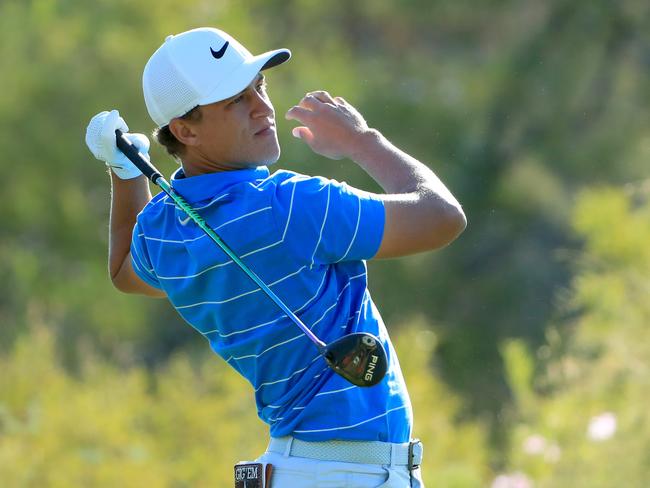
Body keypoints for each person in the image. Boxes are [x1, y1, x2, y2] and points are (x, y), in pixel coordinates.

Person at [85, 27, 466, 487]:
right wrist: (361, 140)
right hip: (351, 475)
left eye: (258, 87)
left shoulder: (165, 230)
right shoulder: (289, 206)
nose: (262, 108)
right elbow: (442, 216)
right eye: (235, 101)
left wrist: (125, 172)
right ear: (185, 130)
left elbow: (125, 270)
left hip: (292, 469)